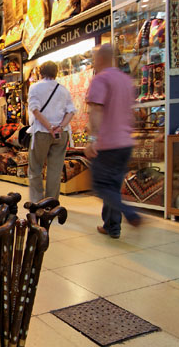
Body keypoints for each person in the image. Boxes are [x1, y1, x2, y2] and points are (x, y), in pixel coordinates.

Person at [85, 43, 141, 238]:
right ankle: (112, 227)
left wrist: (93, 139)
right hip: (125, 142)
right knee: (113, 186)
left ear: (100, 59)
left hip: (108, 143)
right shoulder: (126, 80)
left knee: (101, 186)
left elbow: (97, 110)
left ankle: (130, 213)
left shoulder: (101, 79)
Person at [26, 60, 76, 203]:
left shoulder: (34, 88)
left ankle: (37, 201)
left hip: (42, 132)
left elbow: (34, 110)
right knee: (55, 169)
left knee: (35, 168)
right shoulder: (63, 89)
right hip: (61, 133)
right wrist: (59, 127)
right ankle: (51, 203)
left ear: (41, 72)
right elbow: (71, 111)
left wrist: (49, 127)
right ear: (56, 72)